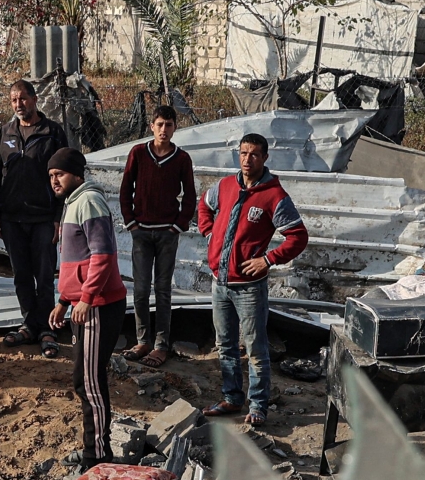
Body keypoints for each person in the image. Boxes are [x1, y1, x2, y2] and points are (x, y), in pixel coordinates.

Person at [198, 133, 309, 426]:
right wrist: (210, 237)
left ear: (265, 158)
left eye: (255, 155)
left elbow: (298, 236)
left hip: (249, 288)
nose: (248, 160)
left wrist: (268, 259)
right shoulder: (224, 186)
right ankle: (232, 398)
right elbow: (203, 207)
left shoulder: (275, 196)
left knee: (256, 349)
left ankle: (258, 405)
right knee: (225, 345)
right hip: (219, 282)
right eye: (243, 153)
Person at [48, 147, 126, 471]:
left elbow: (102, 255)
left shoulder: (89, 201)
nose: (54, 181)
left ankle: (97, 457)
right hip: (85, 305)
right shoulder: (73, 203)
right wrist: (64, 301)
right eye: (50, 176)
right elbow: (76, 260)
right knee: (86, 379)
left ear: (77, 174)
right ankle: (93, 449)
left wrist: (85, 298)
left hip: (99, 306)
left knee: (88, 381)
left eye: (59, 175)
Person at [0, 79, 68, 358]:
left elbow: (64, 177)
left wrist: (59, 216)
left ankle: (48, 329)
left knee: (44, 276)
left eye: (23, 98)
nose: (18, 104)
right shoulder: (4, 133)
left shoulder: (52, 132)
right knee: (21, 275)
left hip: (44, 217)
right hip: (12, 219)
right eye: (13, 100)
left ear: (34, 99)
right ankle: (29, 325)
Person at [119, 105, 196, 369]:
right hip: (141, 232)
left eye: (169, 125)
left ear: (176, 128)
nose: (164, 130)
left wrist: (178, 225)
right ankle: (142, 341)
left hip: (167, 233)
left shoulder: (182, 159)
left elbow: (190, 197)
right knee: (140, 290)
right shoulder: (139, 153)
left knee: (162, 291)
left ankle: (161, 345)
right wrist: (131, 223)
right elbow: (125, 188)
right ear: (152, 126)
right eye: (160, 124)